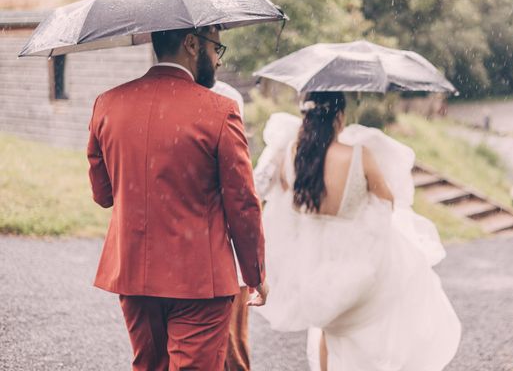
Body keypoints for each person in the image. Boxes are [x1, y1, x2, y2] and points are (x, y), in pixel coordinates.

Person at [87, 26, 268, 371]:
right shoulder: (220, 111)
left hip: (135, 273)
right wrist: (254, 273)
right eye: (217, 47)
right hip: (201, 280)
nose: (217, 58)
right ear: (191, 44)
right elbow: (242, 203)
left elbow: (103, 194)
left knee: (150, 365)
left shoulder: (107, 104)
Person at [255, 91, 460, 371]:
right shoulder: (358, 155)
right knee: (368, 328)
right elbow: (386, 200)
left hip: (310, 266)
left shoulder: (292, 153)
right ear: (339, 117)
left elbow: (286, 194)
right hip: (352, 261)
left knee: (329, 327)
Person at [210, 80, 251, 371]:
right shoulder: (227, 100)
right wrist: (255, 271)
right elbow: (243, 201)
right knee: (232, 349)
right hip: (223, 259)